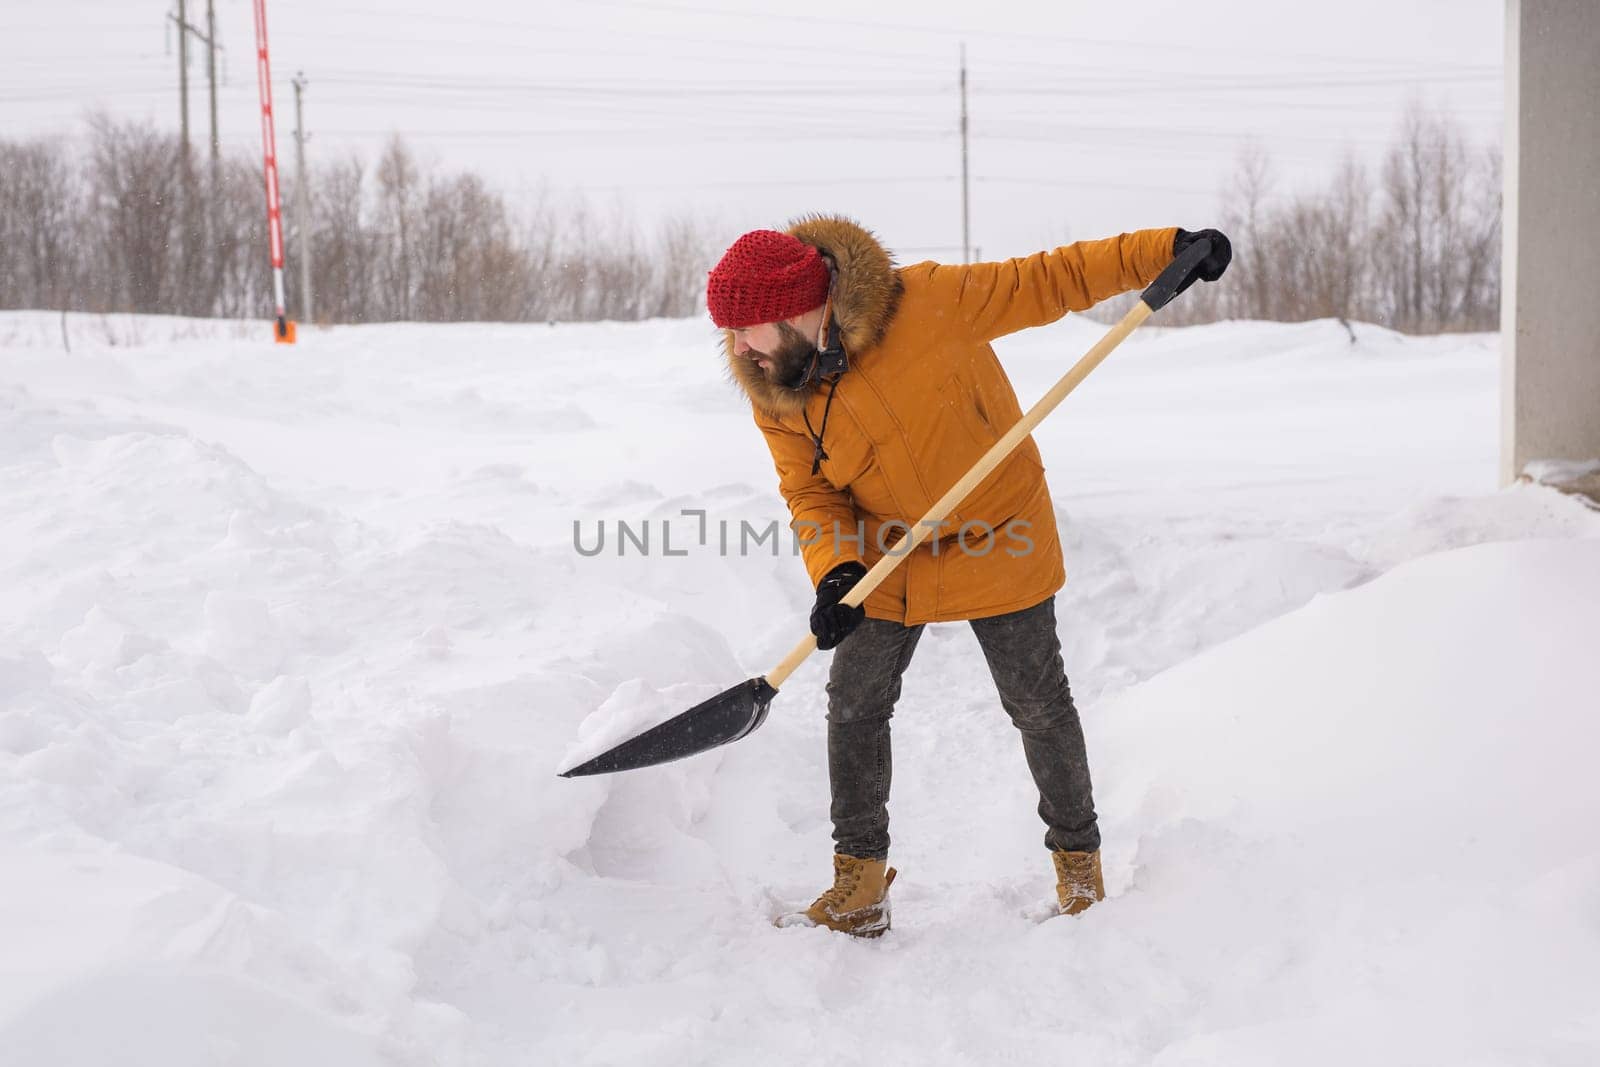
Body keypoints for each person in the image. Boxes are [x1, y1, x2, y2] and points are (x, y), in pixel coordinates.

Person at [706, 216, 1231, 937]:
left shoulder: (924, 302)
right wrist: (835, 573)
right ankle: (857, 884)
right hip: (886, 548)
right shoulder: (777, 385)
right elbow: (811, 494)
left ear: (797, 309)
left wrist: (1163, 251)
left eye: (746, 327)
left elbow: (1052, 277)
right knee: (853, 703)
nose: (736, 347)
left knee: (1037, 701)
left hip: (995, 526)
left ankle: (1080, 868)